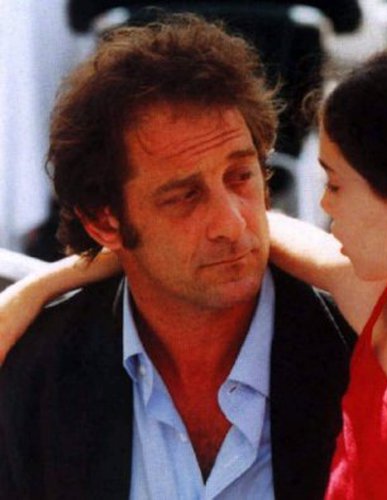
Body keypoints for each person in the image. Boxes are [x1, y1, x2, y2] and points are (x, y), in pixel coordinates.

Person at [0, 14, 357, 499]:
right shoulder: (38, 375)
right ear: (105, 222)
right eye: (184, 197)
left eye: (241, 176)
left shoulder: (354, 351)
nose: (231, 224)